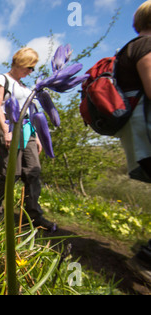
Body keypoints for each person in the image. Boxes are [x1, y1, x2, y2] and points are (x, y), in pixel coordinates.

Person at [0, 47, 57, 232]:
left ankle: (34, 215)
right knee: (12, 173)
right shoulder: (1, 79)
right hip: (10, 127)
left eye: (33, 68)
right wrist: (5, 130)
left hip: (29, 131)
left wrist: (38, 137)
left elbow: (32, 112)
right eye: (29, 67)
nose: (31, 72)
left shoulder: (25, 87)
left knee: (33, 172)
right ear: (20, 63)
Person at [115, 0, 151, 284]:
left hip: (137, 131)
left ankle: (147, 255)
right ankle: (147, 258)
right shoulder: (144, 47)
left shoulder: (127, 48)